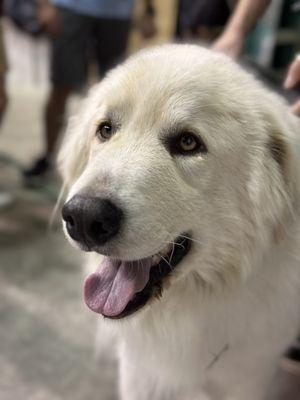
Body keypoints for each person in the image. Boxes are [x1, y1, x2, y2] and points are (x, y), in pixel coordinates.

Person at [24, 0, 156, 182]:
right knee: (61, 87)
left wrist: (149, 13)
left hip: (117, 14)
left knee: (117, 96)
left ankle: (103, 163)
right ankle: (48, 155)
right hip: (72, 8)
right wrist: (44, 5)